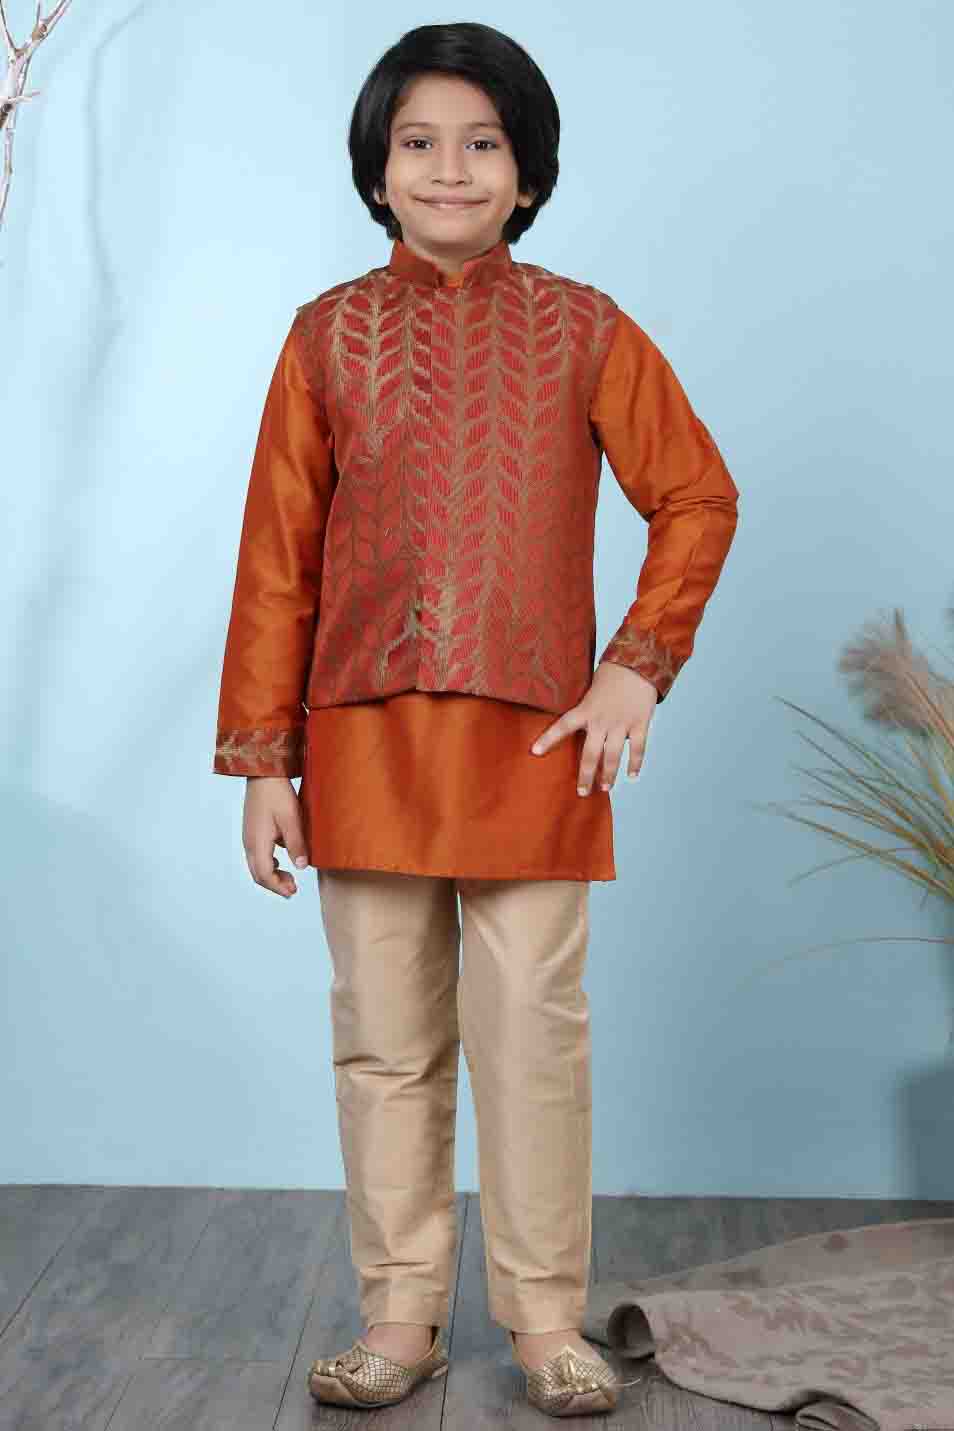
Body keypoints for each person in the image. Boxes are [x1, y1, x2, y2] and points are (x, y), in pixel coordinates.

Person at [212, 20, 739, 1418]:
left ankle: (547, 1321)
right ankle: (400, 1319)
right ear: (376, 170)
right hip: (363, 741)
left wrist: (635, 666)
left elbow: (696, 493)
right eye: (418, 142)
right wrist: (264, 762)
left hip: (535, 744)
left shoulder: (584, 328)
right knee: (385, 1042)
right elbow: (277, 558)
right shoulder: (326, 335)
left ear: (528, 172)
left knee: (532, 1040)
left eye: (483, 143)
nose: (449, 169)